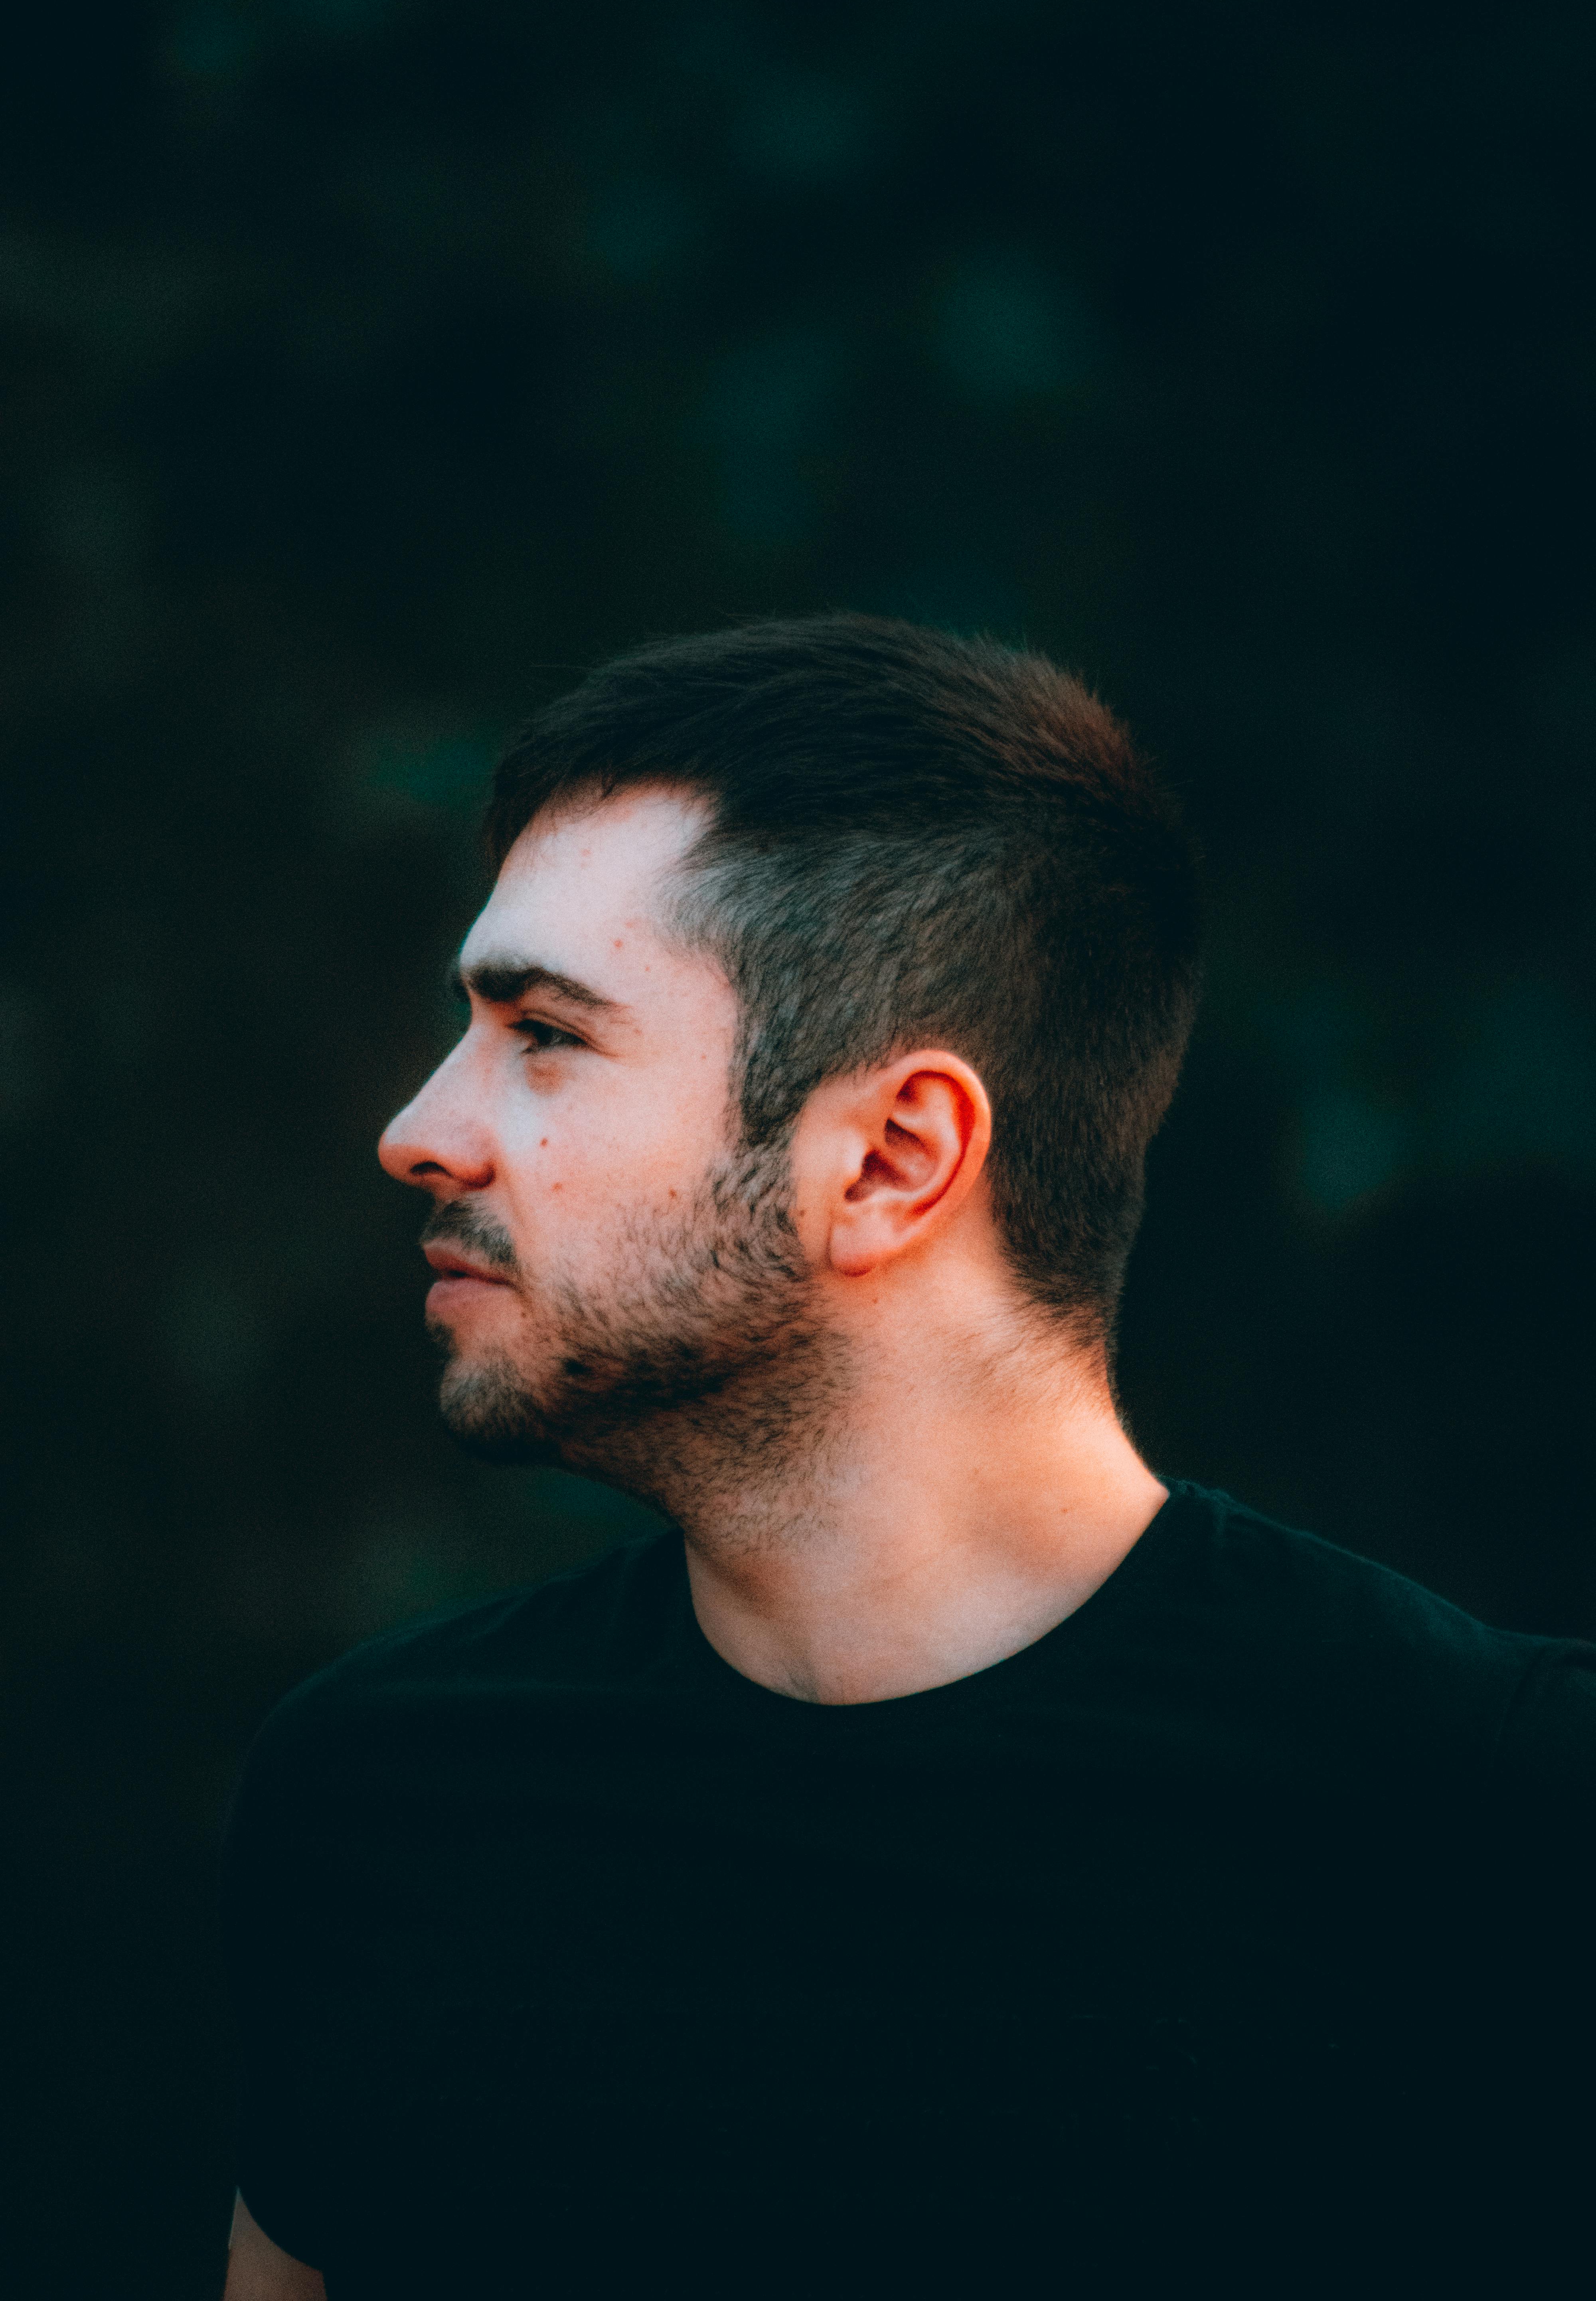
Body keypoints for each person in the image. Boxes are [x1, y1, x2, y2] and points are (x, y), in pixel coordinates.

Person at [221, 616, 1592, 2299]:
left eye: (547, 1033)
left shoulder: (1498, 1824)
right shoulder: (388, 1797)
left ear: (889, 1157)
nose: (420, 1128)